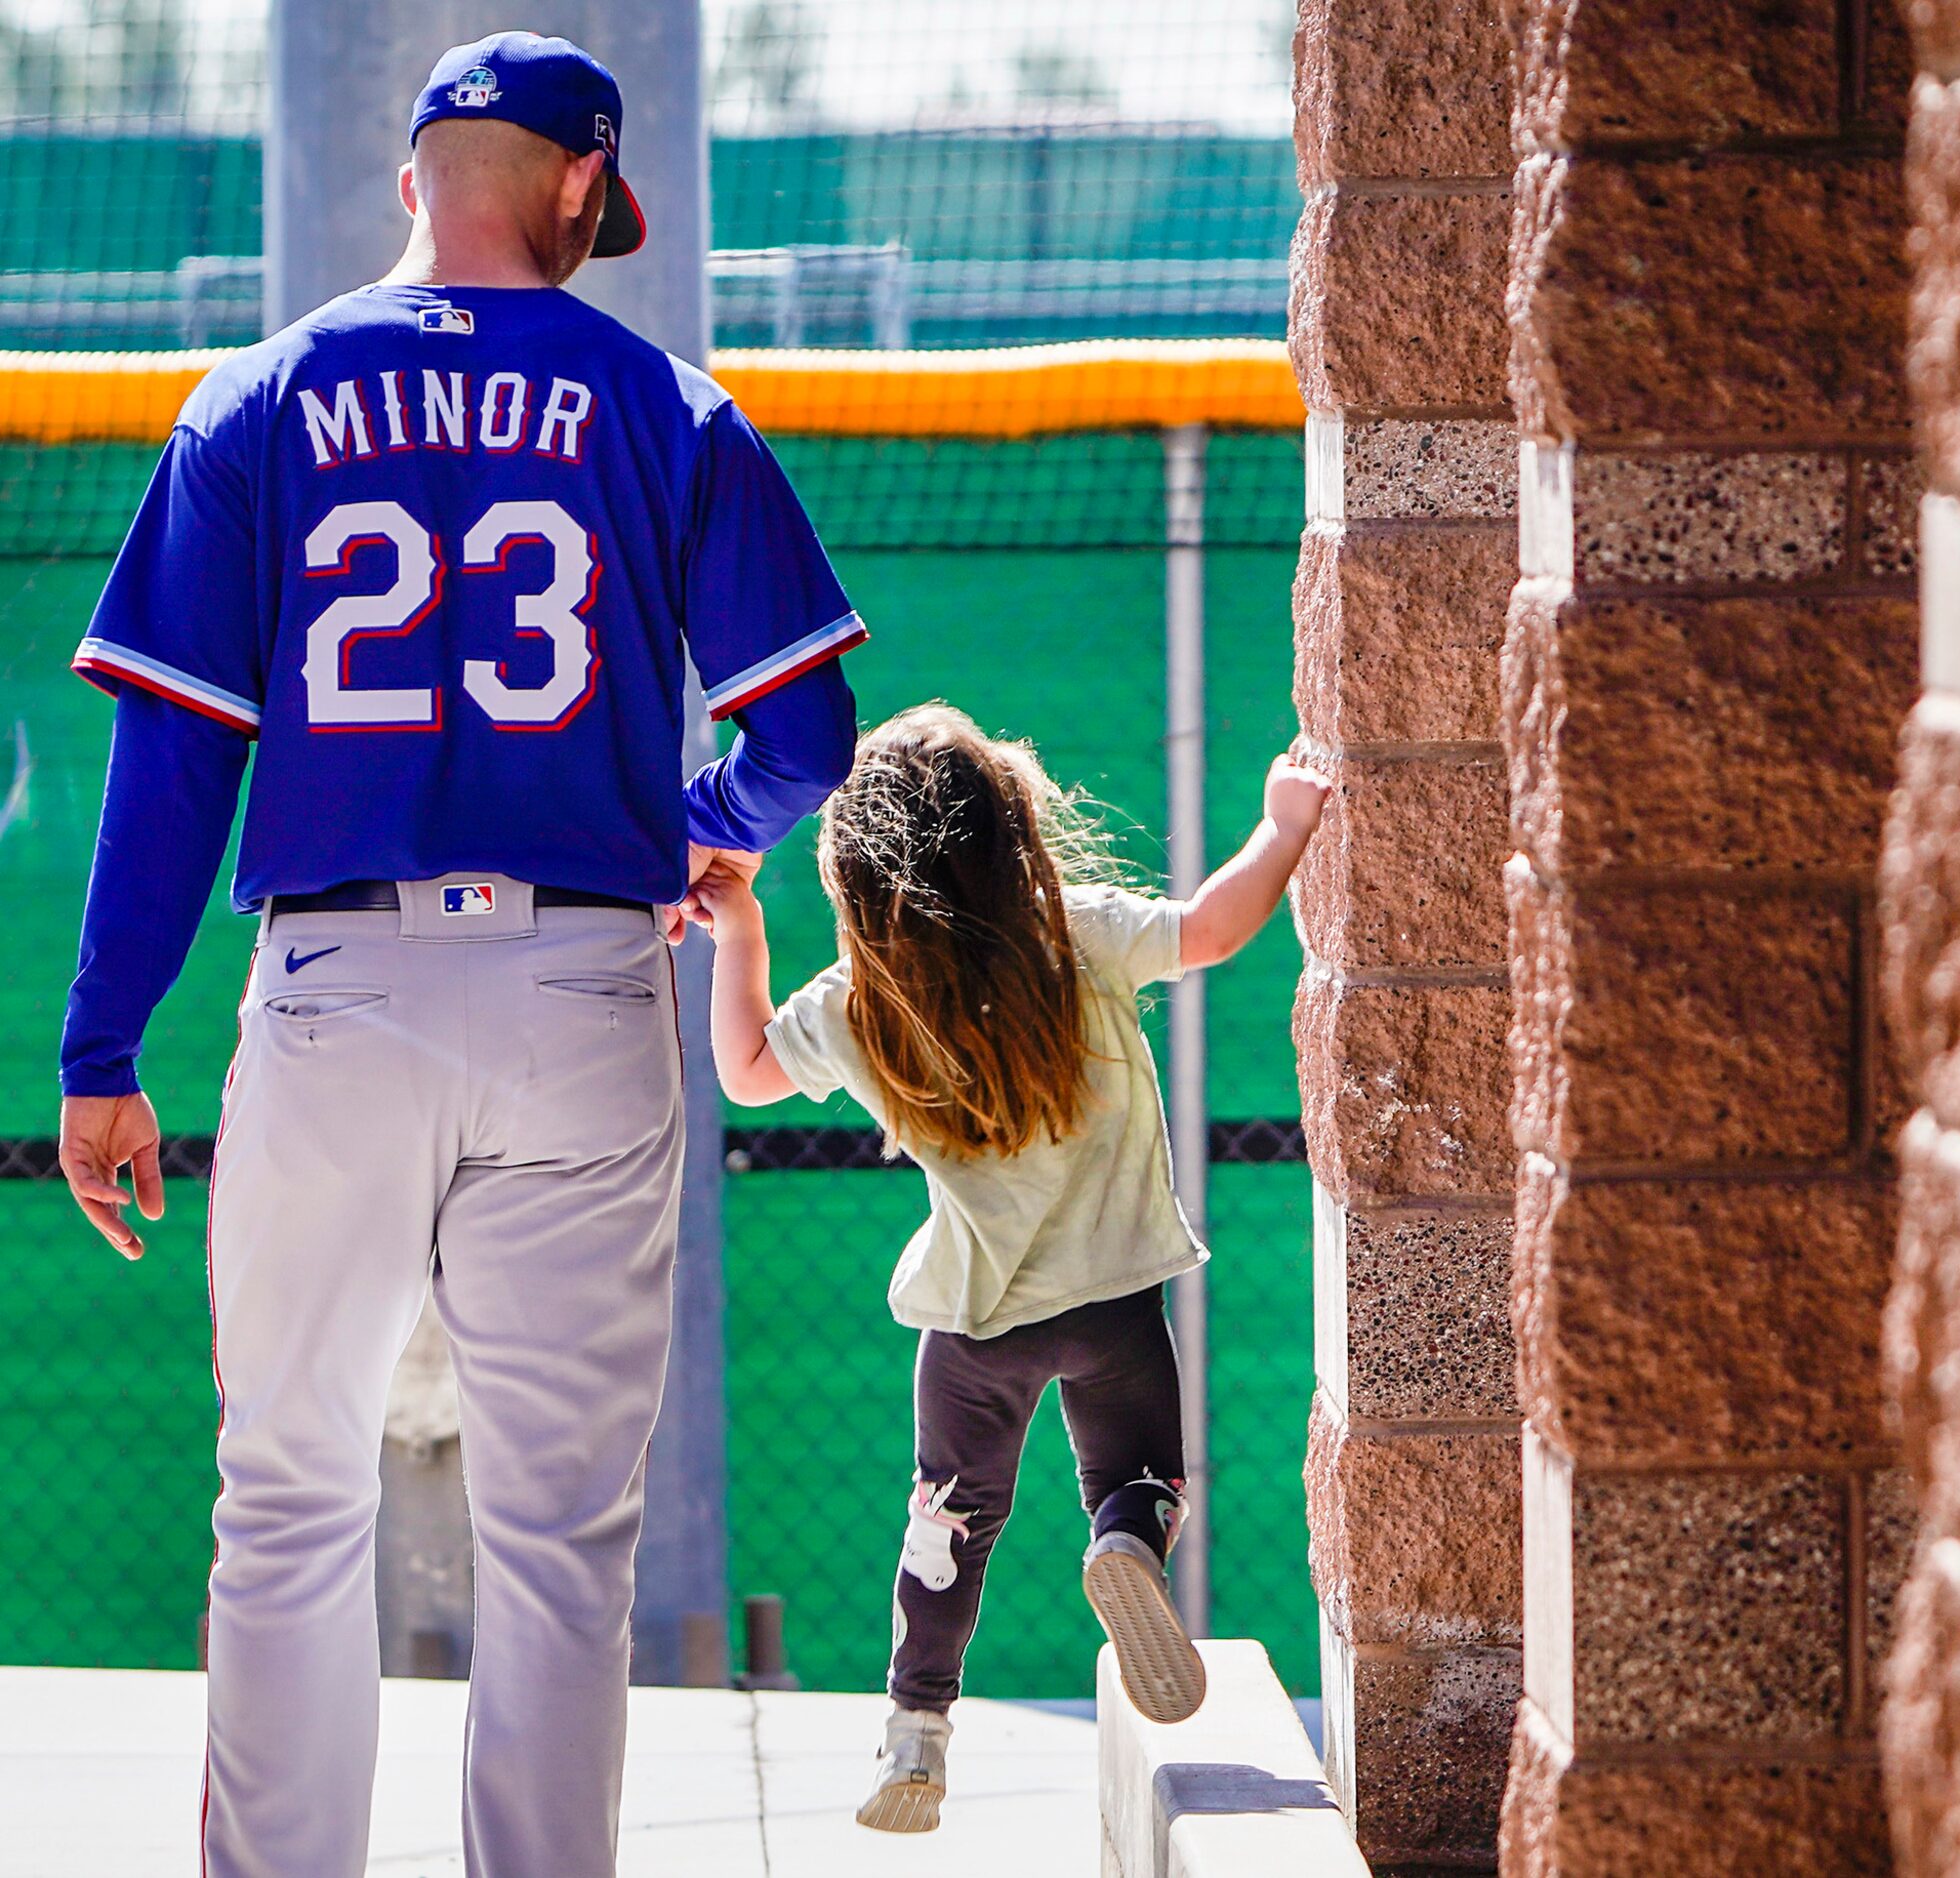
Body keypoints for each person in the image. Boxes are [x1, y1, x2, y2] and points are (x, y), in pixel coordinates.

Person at [53, 32, 866, 1878]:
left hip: (339, 992)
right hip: (586, 983)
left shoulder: (255, 397)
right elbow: (805, 731)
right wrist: (702, 833)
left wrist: (104, 1047)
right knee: (564, 1542)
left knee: (282, 1506)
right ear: (578, 184)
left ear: (413, 175)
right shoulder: (666, 402)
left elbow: (174, 755)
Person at [686, 702, 1327, 1832]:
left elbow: (740, 1071)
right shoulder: (1075, 935)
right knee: (1138, 1476)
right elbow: (1214, 928)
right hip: (1116, 1303)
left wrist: (741, 929)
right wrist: (1283, 830)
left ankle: (914, 1736)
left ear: (860, 877)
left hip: (974, 1323)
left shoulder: (861, 1004)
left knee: (948, 1523)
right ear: (1011, 832)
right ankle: (1124, 1544)